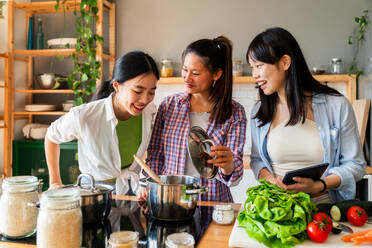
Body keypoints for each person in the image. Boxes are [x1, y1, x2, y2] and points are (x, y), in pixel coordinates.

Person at [248, 27, 366, 203]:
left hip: (324, 212)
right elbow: (258, 161)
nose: (254, 75)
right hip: (278, 211)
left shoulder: (336, 105)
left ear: (285, 62)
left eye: (259, 66)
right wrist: (271, 180)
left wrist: (319, 185)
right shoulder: (259, 111)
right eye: (252, 67)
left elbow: (356, 165)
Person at [140, 36, 247, 203]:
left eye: (195, 73)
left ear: (216, 74)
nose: (187, 78)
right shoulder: (170, 105)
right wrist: (149, 189)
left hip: (212, 203)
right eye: (184, 69)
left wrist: (228, 166)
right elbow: (155, 156)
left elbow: (235, 173)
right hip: (170, 203)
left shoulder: (235, 113)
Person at [45, 51, 160, 195]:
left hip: (130, 189)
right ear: (117, 86)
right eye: (138, 91)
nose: (144, 100)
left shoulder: (149, 112)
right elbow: (51, 137)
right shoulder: (85, 115)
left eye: (151, 92)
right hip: (93, 192)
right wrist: (55, 181)